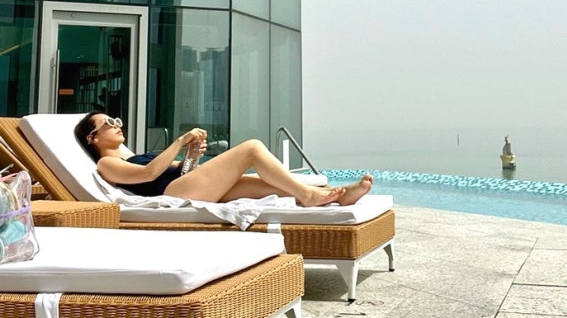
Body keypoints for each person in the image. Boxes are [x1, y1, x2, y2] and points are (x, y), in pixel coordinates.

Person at [74, 112, 372, 207]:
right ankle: (308, 195)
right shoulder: (106, 164)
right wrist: (179, 141)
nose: (117, 125)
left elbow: (180, 170)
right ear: (93, 138)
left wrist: (191, 156)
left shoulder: (131, 155)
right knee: (252, 148)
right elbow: (150, 175)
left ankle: (336, 196)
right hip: (173, 194)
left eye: (116, 120)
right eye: (108, 123)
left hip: (183, 186)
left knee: (265, 185)